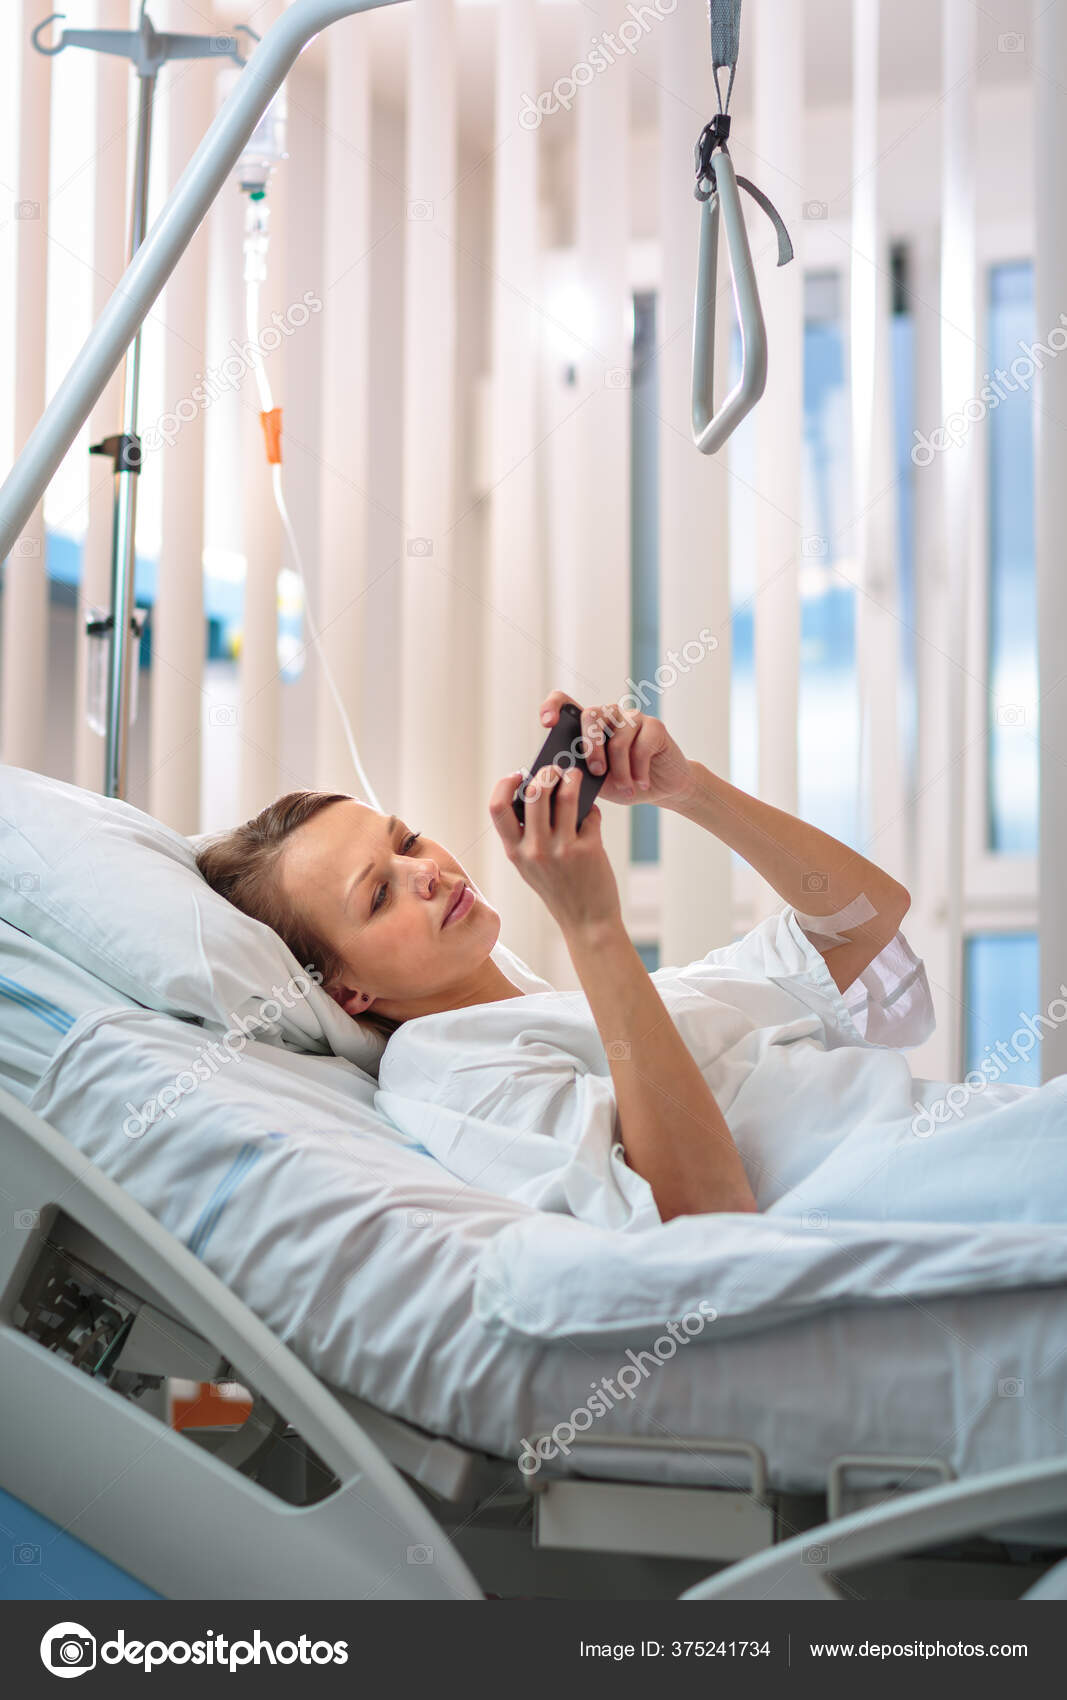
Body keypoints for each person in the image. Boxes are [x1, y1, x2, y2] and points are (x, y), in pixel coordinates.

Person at [196, 692, 1061, 1231]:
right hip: (957, 1195)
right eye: (379, 895)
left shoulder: (595, 1009)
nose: (425, 873)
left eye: (407, 841)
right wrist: (592, 925)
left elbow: (862, 922)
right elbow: (705, 1222)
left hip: (999, 1139)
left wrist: (688, 791)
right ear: (347, 990)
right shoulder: (442, 1072)